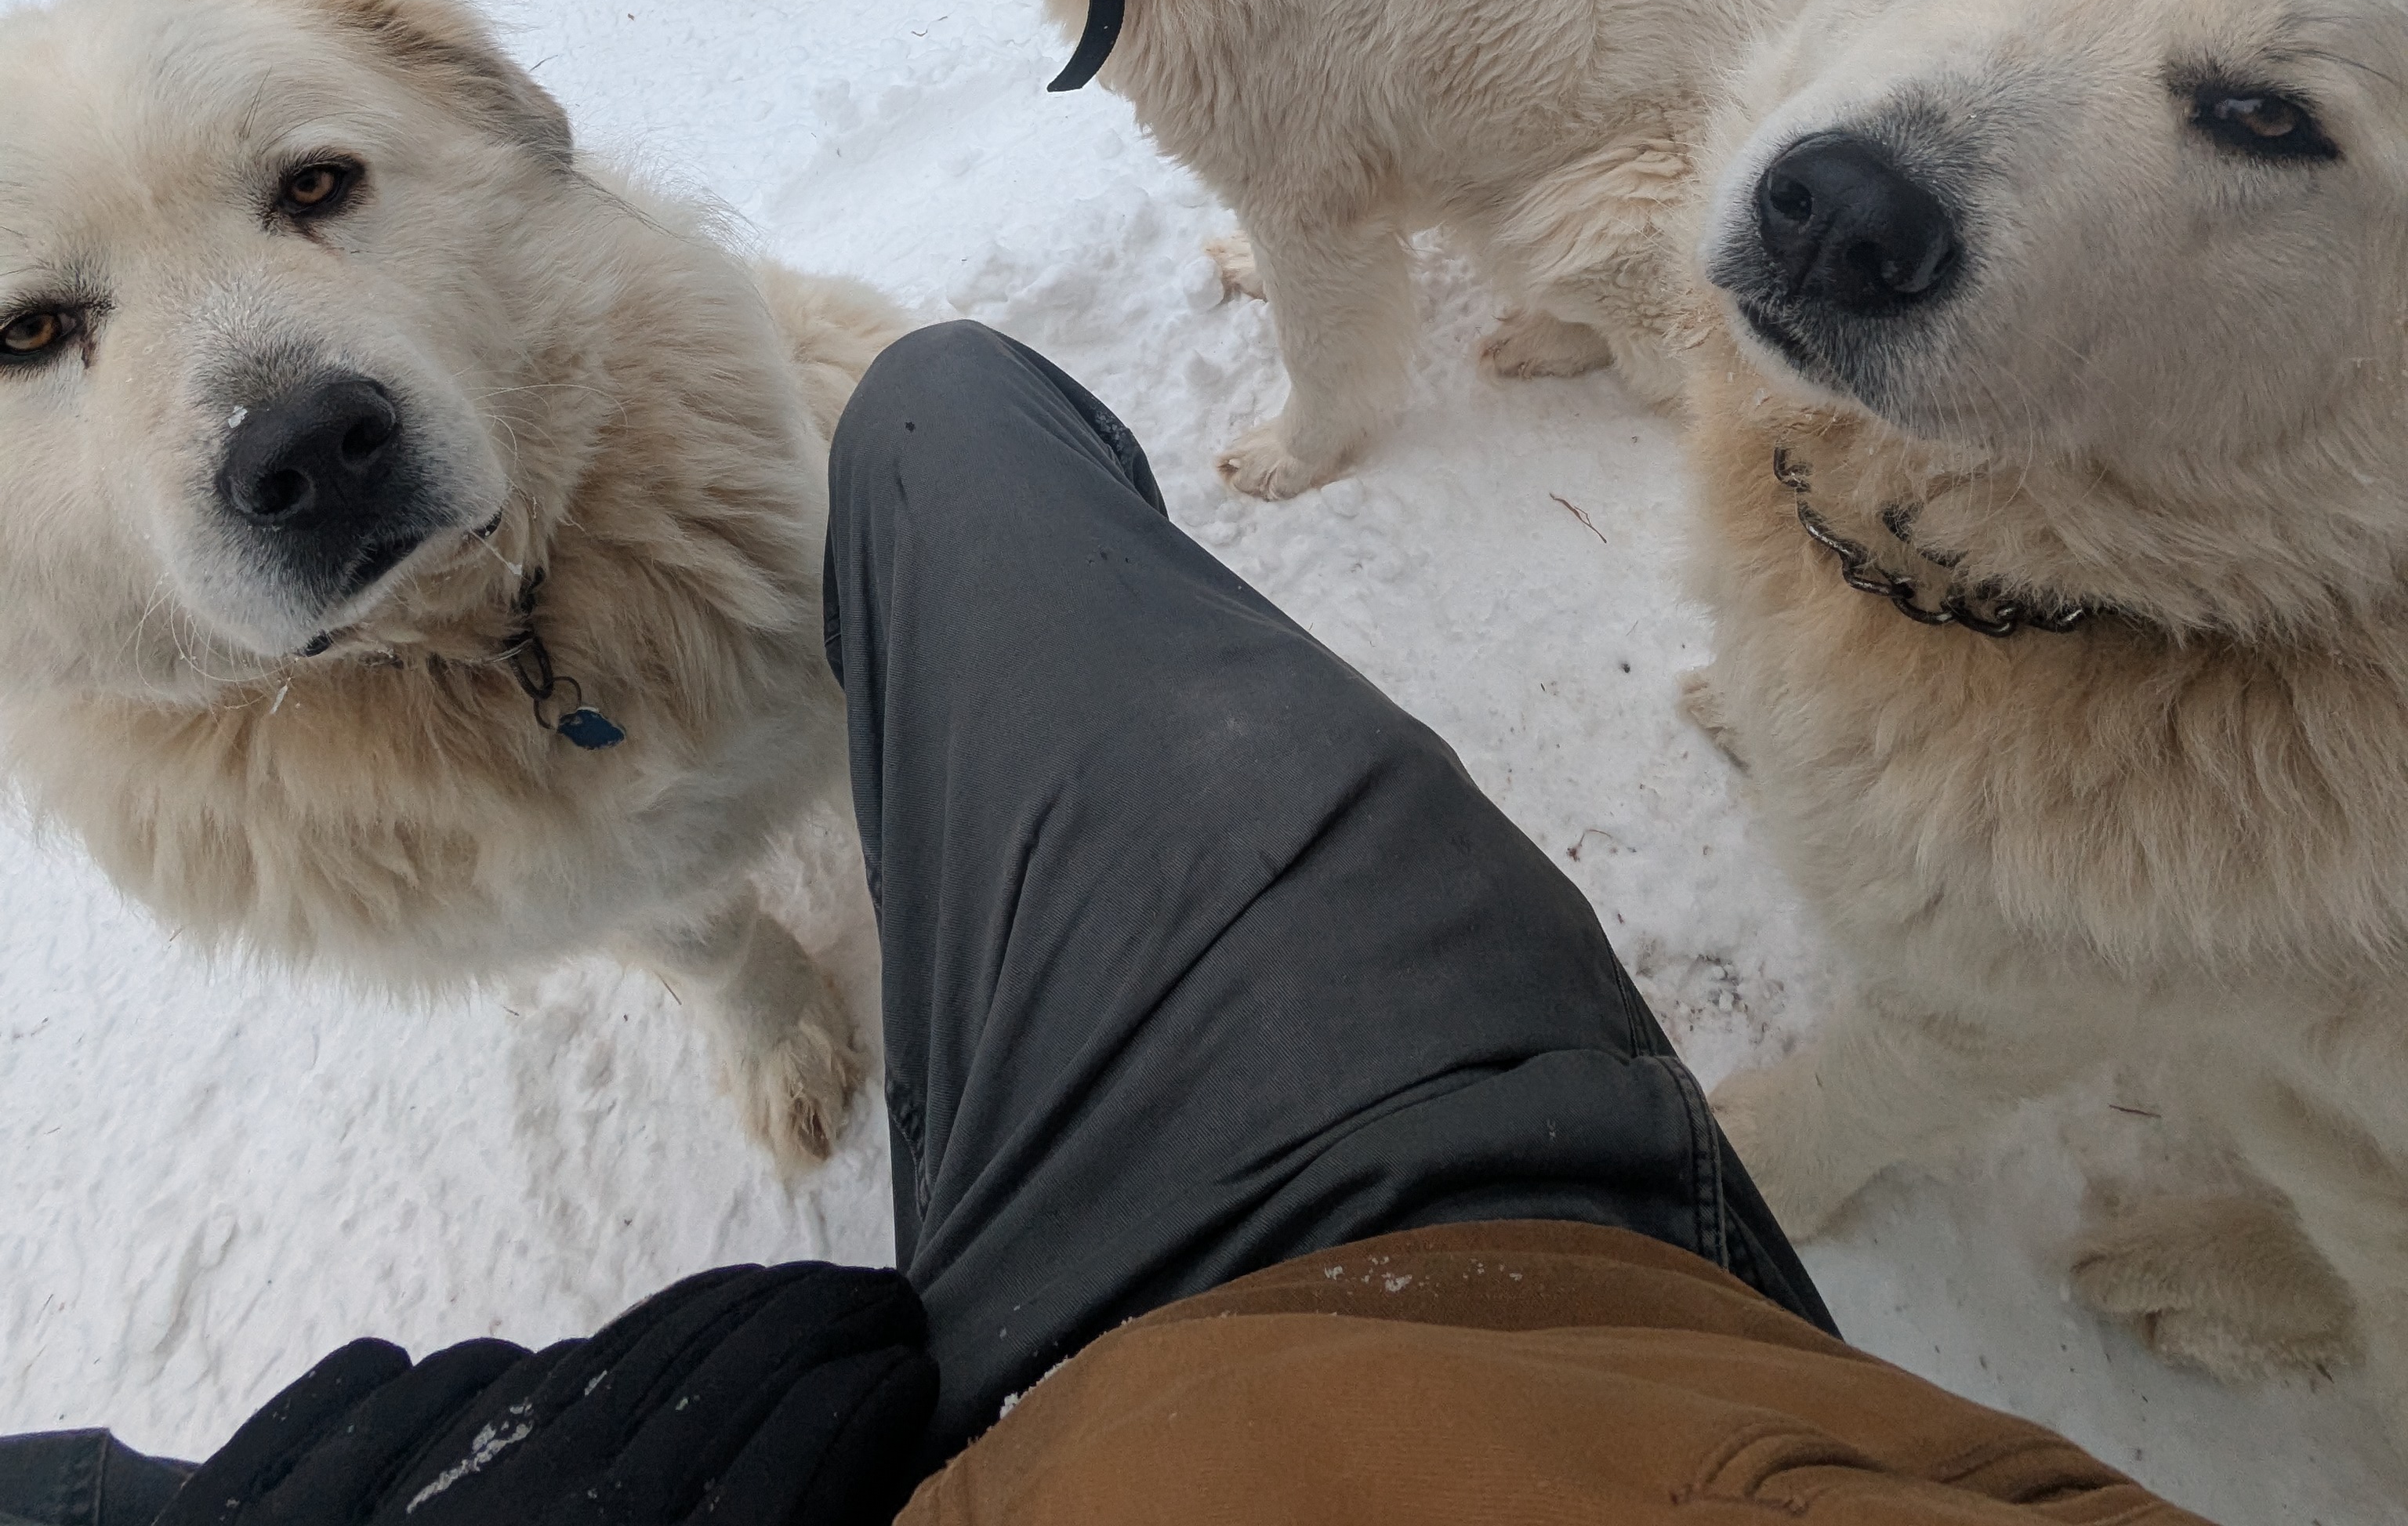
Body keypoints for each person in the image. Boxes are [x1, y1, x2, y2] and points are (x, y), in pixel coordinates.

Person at [2, 325, 2207, 1525]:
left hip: (1087, 1385)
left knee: (910, 440)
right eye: (38, 335)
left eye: (310, 193)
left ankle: (894, 742)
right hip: (1460, 1325)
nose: (245, 378)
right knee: (951, 413)